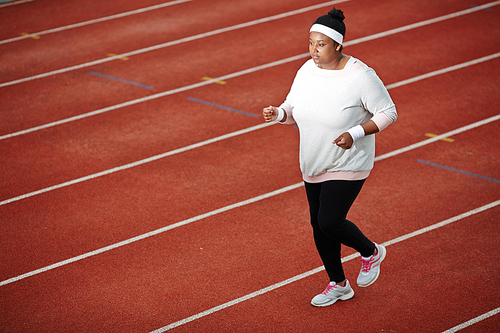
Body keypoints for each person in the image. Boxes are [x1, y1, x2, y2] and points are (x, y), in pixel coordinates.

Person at [262, 7, 397, 307]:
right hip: (313, 160)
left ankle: (371, 251)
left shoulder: (360, 75)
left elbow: (388, 112)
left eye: (320, 44)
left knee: (329, 220)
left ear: (338, 45)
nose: (313, 50)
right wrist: (279, 113)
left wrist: (356, 133)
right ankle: (338, 284)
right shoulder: (306, 71)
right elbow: (292, 108)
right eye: (310, 42)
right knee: (318, 224)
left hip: (348, 162)